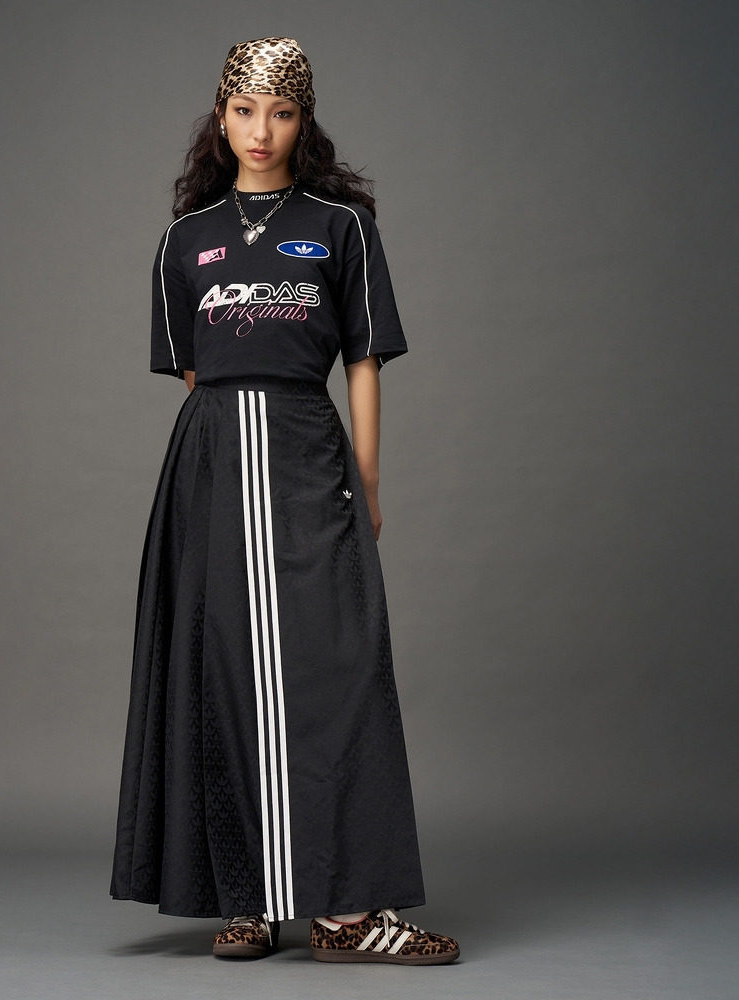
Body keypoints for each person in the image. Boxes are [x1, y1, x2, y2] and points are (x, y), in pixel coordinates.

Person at [109, 36, 460, 966]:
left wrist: (367, 481)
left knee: (337, 671)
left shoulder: (341, 228)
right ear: (220, 117)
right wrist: (227, 457)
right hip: (213, 463)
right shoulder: (183, 243)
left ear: (305, 121)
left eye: (282, 112)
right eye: (244, 110)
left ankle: (348, 914)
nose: (261, 130)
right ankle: (250, 900)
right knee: (222, 672)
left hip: (308, 452)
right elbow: (197, 374)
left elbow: (364, 359)